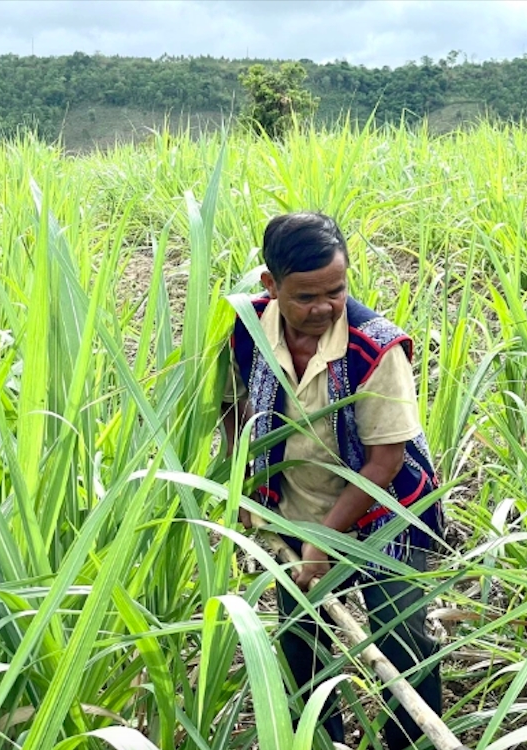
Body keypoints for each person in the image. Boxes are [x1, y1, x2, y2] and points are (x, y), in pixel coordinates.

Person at [221, 211, 444, 750]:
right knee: (304, 643)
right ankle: (321, 741)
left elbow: (385, 460)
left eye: (336, 291)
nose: (323, 307)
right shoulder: (247, 328)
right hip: (294, 511)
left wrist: (325, 543)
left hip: (384, 512)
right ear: (271, 285)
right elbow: (235, 410)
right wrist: (243, 487)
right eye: (305, 297)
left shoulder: (375, 348)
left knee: (403, 640)